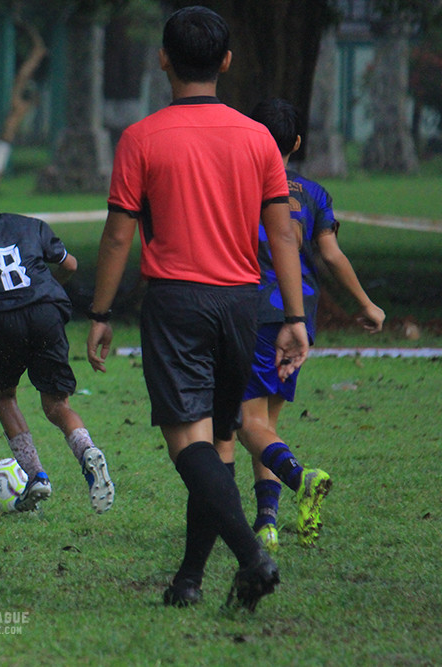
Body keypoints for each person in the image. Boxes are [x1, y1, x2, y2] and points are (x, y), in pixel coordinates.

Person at [85, 6, 310, 610]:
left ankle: (250, 554)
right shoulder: (258, 139)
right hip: (243, 305)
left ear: (164, 58)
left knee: (189, 444)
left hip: (177, 302)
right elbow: (283, 235)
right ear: (227, 62)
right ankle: (187, 582)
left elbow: (116, 237)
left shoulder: (141, 138)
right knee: (217, 442)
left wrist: (100, 312)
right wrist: (294, 317)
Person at [225, 98, 385, 552]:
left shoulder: (239, 186)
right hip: (300, 314)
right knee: (266, 423)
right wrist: (367, 305)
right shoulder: (313, 194)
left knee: (245, 422)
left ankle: (301, 478)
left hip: (255, 312)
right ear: (296, 143)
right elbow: (331, 255)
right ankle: (267, 523)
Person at [0, 159, 115, 514]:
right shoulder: (30, 225)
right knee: (57, 404)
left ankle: (36, 476)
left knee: (3, 396)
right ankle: (88, 451)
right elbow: (70, 265)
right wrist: (50, 288)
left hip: (4, 320)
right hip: (48, 313)